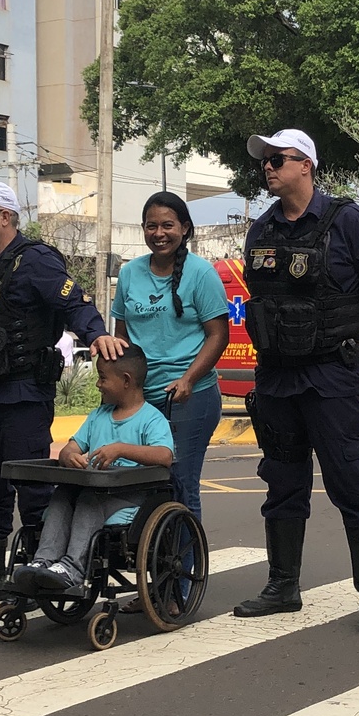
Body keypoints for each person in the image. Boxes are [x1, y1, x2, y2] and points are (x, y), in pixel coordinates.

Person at [232, 128, 359, 634]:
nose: (267, 166)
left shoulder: (349, 222)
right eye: (264, 160)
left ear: (305, 164)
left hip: (332, 376)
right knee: (282, 483)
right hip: (278, 379)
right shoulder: (261, 229)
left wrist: (347, 341)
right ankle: (283, 585)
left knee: (353, 481)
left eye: (277, 159)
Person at [0, 182, 124, 609]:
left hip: (22, 391)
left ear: (5, 216)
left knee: (32, 485)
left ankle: (40, 567)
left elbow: (72, 304)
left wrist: (97, 336)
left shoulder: (35, 260)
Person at [8, 345, 174, 597]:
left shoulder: (152, 419)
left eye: (103, 378)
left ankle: (73, 568)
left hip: (131, 497)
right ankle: (44, 561)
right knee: (63, 495)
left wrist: (121, 449)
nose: (98, 384)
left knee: (87, 499)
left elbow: (164, 456)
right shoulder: (98, 416)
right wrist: (70, 456)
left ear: (126, 380)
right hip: (96, 487)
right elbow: (69, 448)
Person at [110, 192, 229, 520]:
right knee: (139, 483)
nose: (159, 233)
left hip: (190, 397)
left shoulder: (201, 273)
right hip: (141, 399)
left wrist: (188, 379)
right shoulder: (130, 273)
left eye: (167, 225)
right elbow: (122, 337)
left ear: (185, 229)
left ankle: (184, 570)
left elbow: (218, 335)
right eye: (151, 226)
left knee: (180, 484)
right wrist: (123, 387)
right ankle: (155, 561)